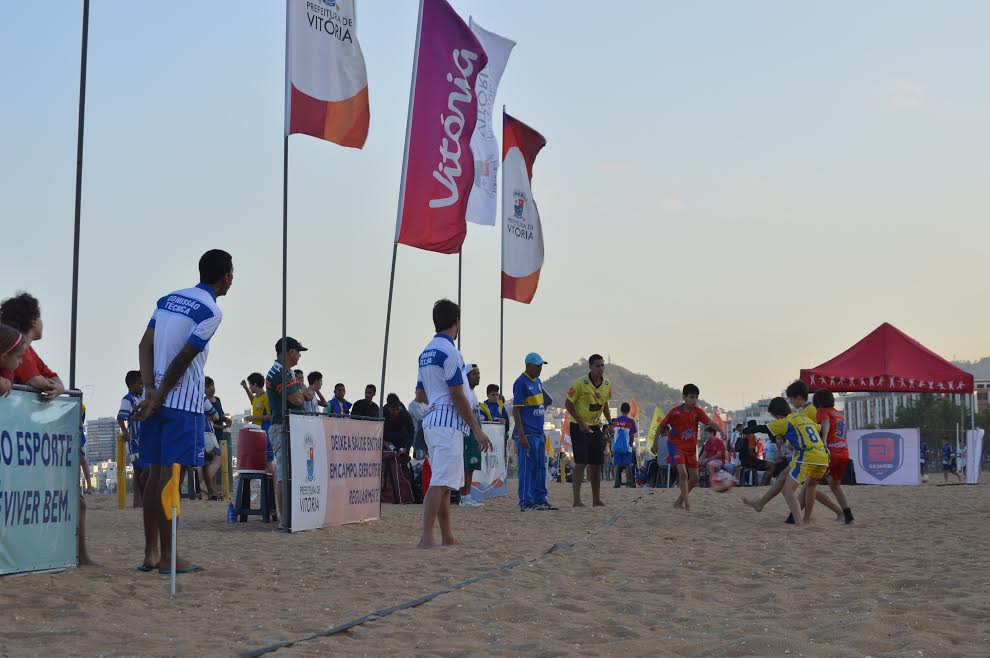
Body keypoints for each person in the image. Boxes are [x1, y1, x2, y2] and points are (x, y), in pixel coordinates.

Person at [133, 248, 233, 574]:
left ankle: (151, 553)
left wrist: (149, 390)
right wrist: (160, 396)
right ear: (225, 277)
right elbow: (184, 358)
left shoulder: (168, 299)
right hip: (181, 403)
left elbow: (144, 345)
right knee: (168, 479)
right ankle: (169, 557)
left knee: (152, 474)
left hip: (154, 400)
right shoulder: (212, 311)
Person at [416, 299, 491, 548]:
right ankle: (427, 536)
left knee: (446, 483)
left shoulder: (425, 352)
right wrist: (477, 430)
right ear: (456, 322)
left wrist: (438, 398)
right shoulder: (451, 352)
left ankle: (447, 536)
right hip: (447, 423)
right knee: (440, 482)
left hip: (433, 420)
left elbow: (420, 395)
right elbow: (458, 393)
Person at [742, 396, 829, 526]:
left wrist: (746, 430)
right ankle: (760, 504)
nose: (775, 420)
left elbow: (763, 428)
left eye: (774, 417)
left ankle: (799, 523)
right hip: (822, 457)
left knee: (787, 490)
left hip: (807, 456)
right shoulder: (803, 418)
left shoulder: (785, 422)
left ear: (778, 414)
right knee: (793, 480)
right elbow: (821, 428)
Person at [265, 337, 307, 526]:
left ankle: (286, 516)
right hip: (282, 426)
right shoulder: (280, 373)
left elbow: (299, 396)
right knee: (283, 472)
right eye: (298, 352)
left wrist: (301, 392)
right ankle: (284, 518)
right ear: (290, 352)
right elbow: (297, 399)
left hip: (286, 426)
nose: (299, 356)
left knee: (287, 471)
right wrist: (303, 391)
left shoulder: (285, 372)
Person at [652, 384, 714, 511]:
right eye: (691, 397)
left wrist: (722, 432)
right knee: (683, 474)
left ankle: (679, 502)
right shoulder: (675, 412)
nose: (694, 400)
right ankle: (686, 503)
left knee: (695, 477)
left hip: (690, 449)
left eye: (696, 397)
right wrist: (655, 443)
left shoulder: (698, 412)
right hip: (675, 446)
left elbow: (710, 422)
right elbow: (660, 427)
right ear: (684, 397)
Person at [565, 354, 613, 507]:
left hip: (595, 426)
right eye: (597, 366)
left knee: (596, 463)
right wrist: (580, 422)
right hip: (578, 426)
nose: (600, 368)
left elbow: (604, 403)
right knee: (581, 463)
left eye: (602, 365)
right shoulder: (580, 383)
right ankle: (577, 500)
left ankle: (596, 499)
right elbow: (568, 403)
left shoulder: (607, 384)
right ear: (590, 367)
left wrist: (610, 422)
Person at [0, 292, 65, 402]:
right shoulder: (15, 351)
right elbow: (35, 381)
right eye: (40, 317)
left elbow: (51, 376)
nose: (20, 361)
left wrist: (60, 387)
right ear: (34, 321)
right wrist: (55, 387)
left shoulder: (28, 350)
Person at [513, 353, 555, 511]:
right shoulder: (520, 383)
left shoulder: (537, 381)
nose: (540, 369)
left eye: (541, 365)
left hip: (538, 433)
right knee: (526, 468)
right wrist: (522, 435)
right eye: (537, 366)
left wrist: (542, 430)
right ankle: (526, 500)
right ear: (528, 365)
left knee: (540, 468)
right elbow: (516, 411)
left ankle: (540, 499)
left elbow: (538, 409)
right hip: (527, 434)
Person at [813, 388, 854, 524]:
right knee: (835, 485)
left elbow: (825, 422)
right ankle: (848, 516)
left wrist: (823, 440)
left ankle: (793, 517)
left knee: (810, 485)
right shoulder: (839, 414)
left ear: (817, 401)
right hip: (844, 453)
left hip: (831, 453)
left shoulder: (822, 412)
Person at [117, 370, 149, 508]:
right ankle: (139, 498)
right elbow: (120, 417)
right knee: (142, 470)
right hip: (135, 441)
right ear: (131, 385)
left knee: (141, 471)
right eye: (140, 384)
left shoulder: (142, 398)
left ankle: (139, 499)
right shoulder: (127, 399)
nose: (142, 386)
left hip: (145, 439)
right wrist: (125, 432)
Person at [458, 365, 485, 507]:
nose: (478, 376)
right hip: (467, 433)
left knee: (472, 466)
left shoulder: (473, 393)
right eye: (474, 374)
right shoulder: (464, 392)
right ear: (466, 376)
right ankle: (463, 497)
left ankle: (467, 495)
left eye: (478, 373)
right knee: (466, 466)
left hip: (474, 433)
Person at [201, 376, 229, 500]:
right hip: (208, 434)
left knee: (205, 463)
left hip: (207, 434)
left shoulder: (216, 400)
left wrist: (224, 421)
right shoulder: (204, 401)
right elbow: (216, 416)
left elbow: (219, 416)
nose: (211, 388)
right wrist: (220, 423)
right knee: (217, 460)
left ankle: (206, 488)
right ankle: (204, 485)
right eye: (208, 386)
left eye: (212, 385)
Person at [611, 403, 638, 488]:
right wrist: (630, 445)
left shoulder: (616, 421)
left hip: (617, 447)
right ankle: (629, 483)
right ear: (629, 410)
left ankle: (617, 483)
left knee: (618, 465)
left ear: (621, 410)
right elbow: (632, 436)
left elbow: (613, 433)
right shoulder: (631, 421)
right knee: (628, 465)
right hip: (627, 448)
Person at [0, 325, 29, 397]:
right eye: (19, 357)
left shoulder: (6, 371)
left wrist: (8, 381)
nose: (21, 362)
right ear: (4, 357)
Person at [408, 384, 429, 459]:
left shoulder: (426, 405)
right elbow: (421, 418)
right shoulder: (413, 405)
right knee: (420, 463)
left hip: (427, 438)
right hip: (418, 439)